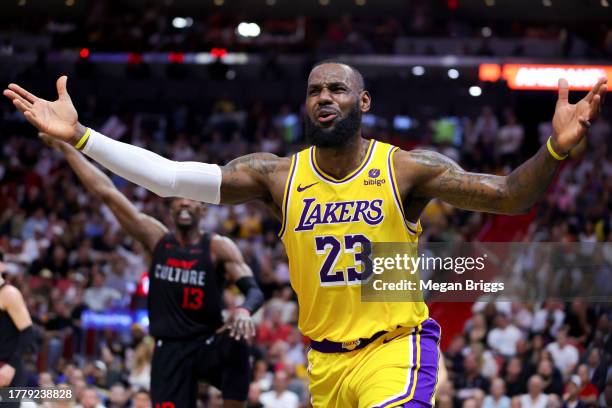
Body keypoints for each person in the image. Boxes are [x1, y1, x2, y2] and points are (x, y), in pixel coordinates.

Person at [3, 63, 607, 408]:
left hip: (396, 347)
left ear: (363, 101)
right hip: (324, 365)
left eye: (336, 89)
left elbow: (508, 196)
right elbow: (169, 178)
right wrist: (81, 137)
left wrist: (555, 148)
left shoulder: (405, 168)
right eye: (314, 90)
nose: (324, 98)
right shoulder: (277, 175)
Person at [38, 136, 264, 408]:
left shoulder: (218, 247)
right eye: (178, 199)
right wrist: (68, 149)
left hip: (208, 343)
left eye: (191, 198)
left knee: (237, 338)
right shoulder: (156, 238)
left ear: (203, 208)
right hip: (168, 347)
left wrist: (243, 310)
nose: (183, 203)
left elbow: (253, 290)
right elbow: (107, 193)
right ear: (169, 206)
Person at [0, 251, 38, 408]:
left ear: (1, 266)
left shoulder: (9, 293)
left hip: (8, 369)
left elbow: (28, 333)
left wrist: (11, 366)